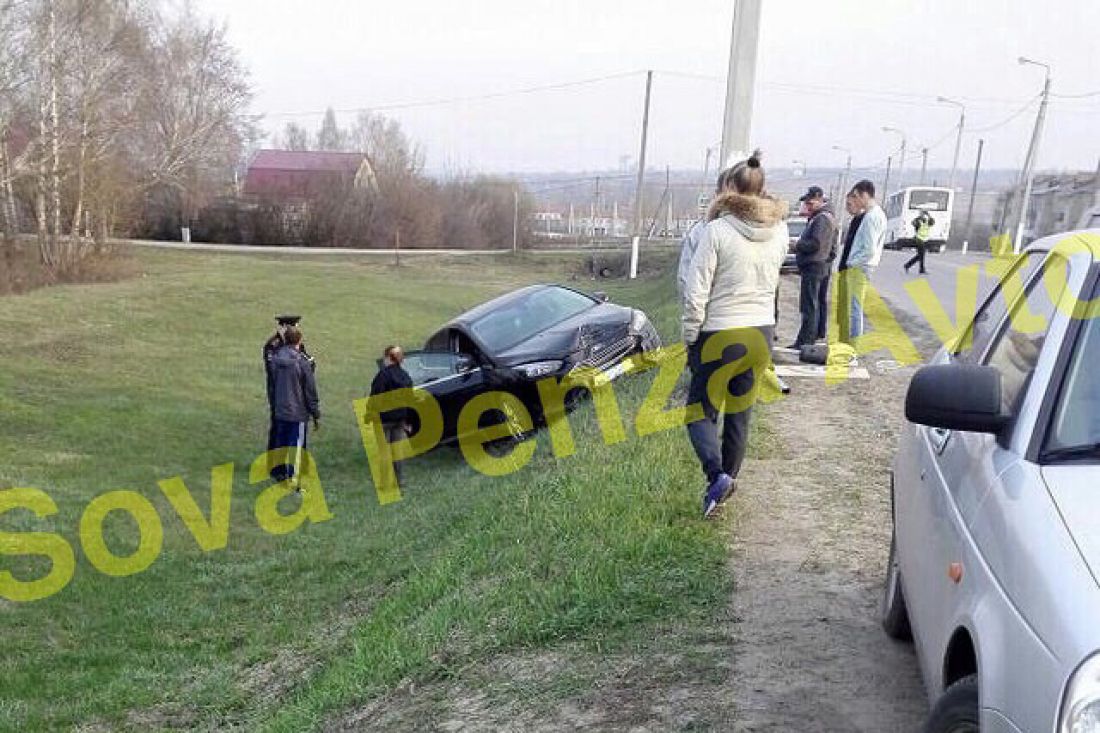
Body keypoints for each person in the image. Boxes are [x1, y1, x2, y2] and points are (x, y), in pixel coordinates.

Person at [681, 151, 788, 518]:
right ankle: (724, 485)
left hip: (720, 333)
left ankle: (716, 477)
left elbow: (697, 291)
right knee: (740, 415)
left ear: (729, 189)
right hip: (761, 332)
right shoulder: (781, 231)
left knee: (699, 412)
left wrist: (691, 335)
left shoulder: (716, 231)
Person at [268, 326, 321, 484]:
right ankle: (293, 478)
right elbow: (309, 390)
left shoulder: (275, 360)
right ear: (299, 340)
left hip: (280, 409)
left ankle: (279, 473)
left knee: (281, 442)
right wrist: (315, 412)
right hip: (297, 412)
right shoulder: (302, 363)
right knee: (295, 446)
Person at [789, 186, 838, 349]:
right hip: (822, 265)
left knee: (810, 304)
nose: (808, 207)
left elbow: (816, 244)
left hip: (815, 266)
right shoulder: (826, 217)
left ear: (819, 199)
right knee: (817, 302)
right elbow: (832, 249)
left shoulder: (822, 219)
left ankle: (806, 340)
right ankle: (815, 334)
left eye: (810, 203)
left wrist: (797, 245)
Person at [264, 315, 314, 457]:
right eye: (294, 326)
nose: (296, 328)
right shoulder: (274, 345)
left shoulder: (294, 342)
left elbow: (307, 362)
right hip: (279, 392)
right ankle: (277, 466)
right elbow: (272, 369)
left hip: (295, 393)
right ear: (285, 326)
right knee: (279, 432)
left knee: (296, 434)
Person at [845, 180, 887, 340]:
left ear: (864, 195)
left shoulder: (872, 217)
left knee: (855, 308)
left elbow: (869, 249)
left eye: (856, 196)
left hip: (861, 267)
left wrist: (853, 263)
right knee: (855, 307)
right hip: (863, 266)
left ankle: (854, 347)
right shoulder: (874, 215)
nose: (854, 200)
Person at [369, 345, 415, 485]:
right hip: (400, 419)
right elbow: (410, 401)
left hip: (383, 420)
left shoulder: (383, 375)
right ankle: (399, 480)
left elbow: (375, 397)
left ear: (389, 358)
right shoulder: (406, 377)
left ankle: (385, 482)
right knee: (397, 451)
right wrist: (408, 421)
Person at [836, 191, 866, 344]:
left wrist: (852, 265)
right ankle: (842, 342)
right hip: (845, 268)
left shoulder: (864, 220)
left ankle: (851, 345)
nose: (847, 208)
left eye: (849, 204)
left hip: (854, 270)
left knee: (852, 311)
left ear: (858, 199)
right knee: (842, 311)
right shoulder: (855, 220)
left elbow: (867, 249)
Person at [904, 210, 935, 275]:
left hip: (925, 240)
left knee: (920, 256)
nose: (923, 216)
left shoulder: (927, 221)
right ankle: (921, 269)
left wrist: (929, 215)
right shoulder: (918, 221)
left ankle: (907, 265)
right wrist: (919, 218)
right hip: (918, 239)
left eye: (924, 214)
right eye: (922, 214)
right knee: (921, 255)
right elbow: (913, 223)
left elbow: (932, 222)